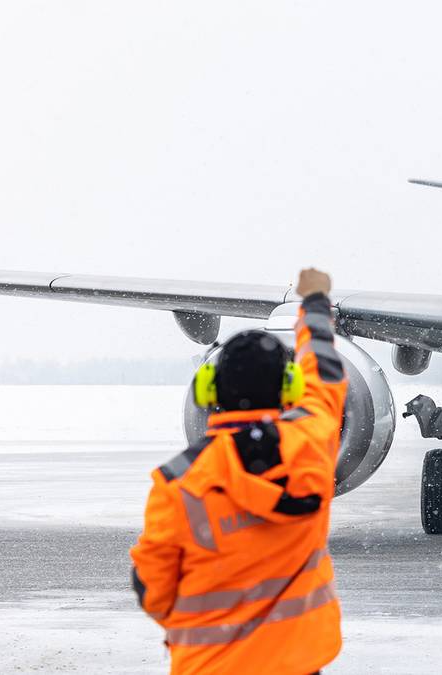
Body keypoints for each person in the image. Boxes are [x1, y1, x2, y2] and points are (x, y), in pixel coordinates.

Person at [130, 268, 347, 675]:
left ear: (208, 388)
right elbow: (324, 372)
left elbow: (153, 591)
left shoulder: (177, 483)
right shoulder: (309, 446)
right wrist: (315, 304)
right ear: (289, 387)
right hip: (297, 663)